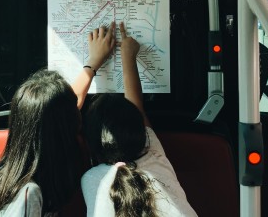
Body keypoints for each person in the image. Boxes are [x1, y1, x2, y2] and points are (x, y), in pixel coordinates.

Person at [0, 22, 116, 216]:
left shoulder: (11, 175)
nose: (78, 113)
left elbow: (55, 112)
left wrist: (93, 64)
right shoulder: (28, 194)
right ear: (66, 129)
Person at [81, 22, 198, 217]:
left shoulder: (92, 180)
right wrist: (128, 55)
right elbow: (136, 108)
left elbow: (136, 111)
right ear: (141, 134)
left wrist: (93, 62)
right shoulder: (155, 157)